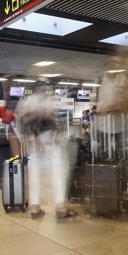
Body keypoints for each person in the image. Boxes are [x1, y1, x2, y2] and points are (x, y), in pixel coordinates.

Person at [16, 87, 76, 219]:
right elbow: (47, 116)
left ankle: (35, 208)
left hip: (33, 142)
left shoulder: (25, 102)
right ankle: (60, 207)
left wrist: (32, 138)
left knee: (34, 173)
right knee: (57, 171)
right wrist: (56, 132)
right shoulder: (44, 100)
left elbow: (21, 125)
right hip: (47, 138)